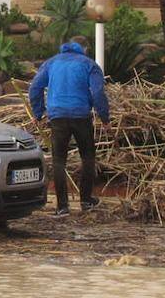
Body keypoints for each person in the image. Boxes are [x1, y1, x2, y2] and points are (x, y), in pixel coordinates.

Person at [28, 39, 110, 216]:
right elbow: (97, 93)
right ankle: (86, 200)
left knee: (59, 160)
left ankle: (62, 206)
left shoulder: (51, 63)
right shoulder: (89, 64)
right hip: (81, 115)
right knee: (87, 157)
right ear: (84, 49)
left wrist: (38, 112)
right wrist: (104, 117)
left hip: (57, 116)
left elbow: (34, 87)